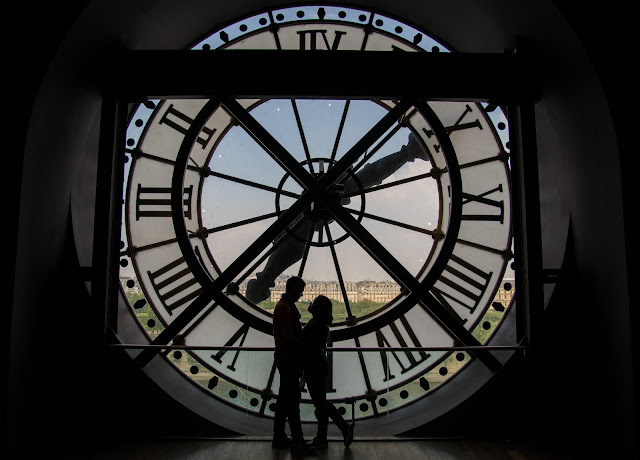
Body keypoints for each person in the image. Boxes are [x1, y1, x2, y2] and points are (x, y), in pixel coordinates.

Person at [246, 132, 429, 303]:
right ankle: (407, 152)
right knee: (364, 178)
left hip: (312, 214)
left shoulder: (278, 261)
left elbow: (296, 238)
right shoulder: (276, 261)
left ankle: (407, 153)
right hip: (314, 210)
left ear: (264, 288)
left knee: (364, 179)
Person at [302, 295, 355, 448]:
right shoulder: (322, 326)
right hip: (319, 364)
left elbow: (302, 342)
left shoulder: (314, 325)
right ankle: (333, 431)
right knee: (321, 402)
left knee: (320, 404)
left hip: (313, 365)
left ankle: (327, 435)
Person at [271, 276, 315, 454]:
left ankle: (281, 436)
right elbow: (290, 337)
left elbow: (286, 337)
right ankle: (297, 440)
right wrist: (307, 347)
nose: (301, 294)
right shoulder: (286, 308)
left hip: (285, 357)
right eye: (300, 291)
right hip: (289, 358)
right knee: (291, 400)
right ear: (293, 290)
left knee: (285, 400)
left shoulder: (282, 306)